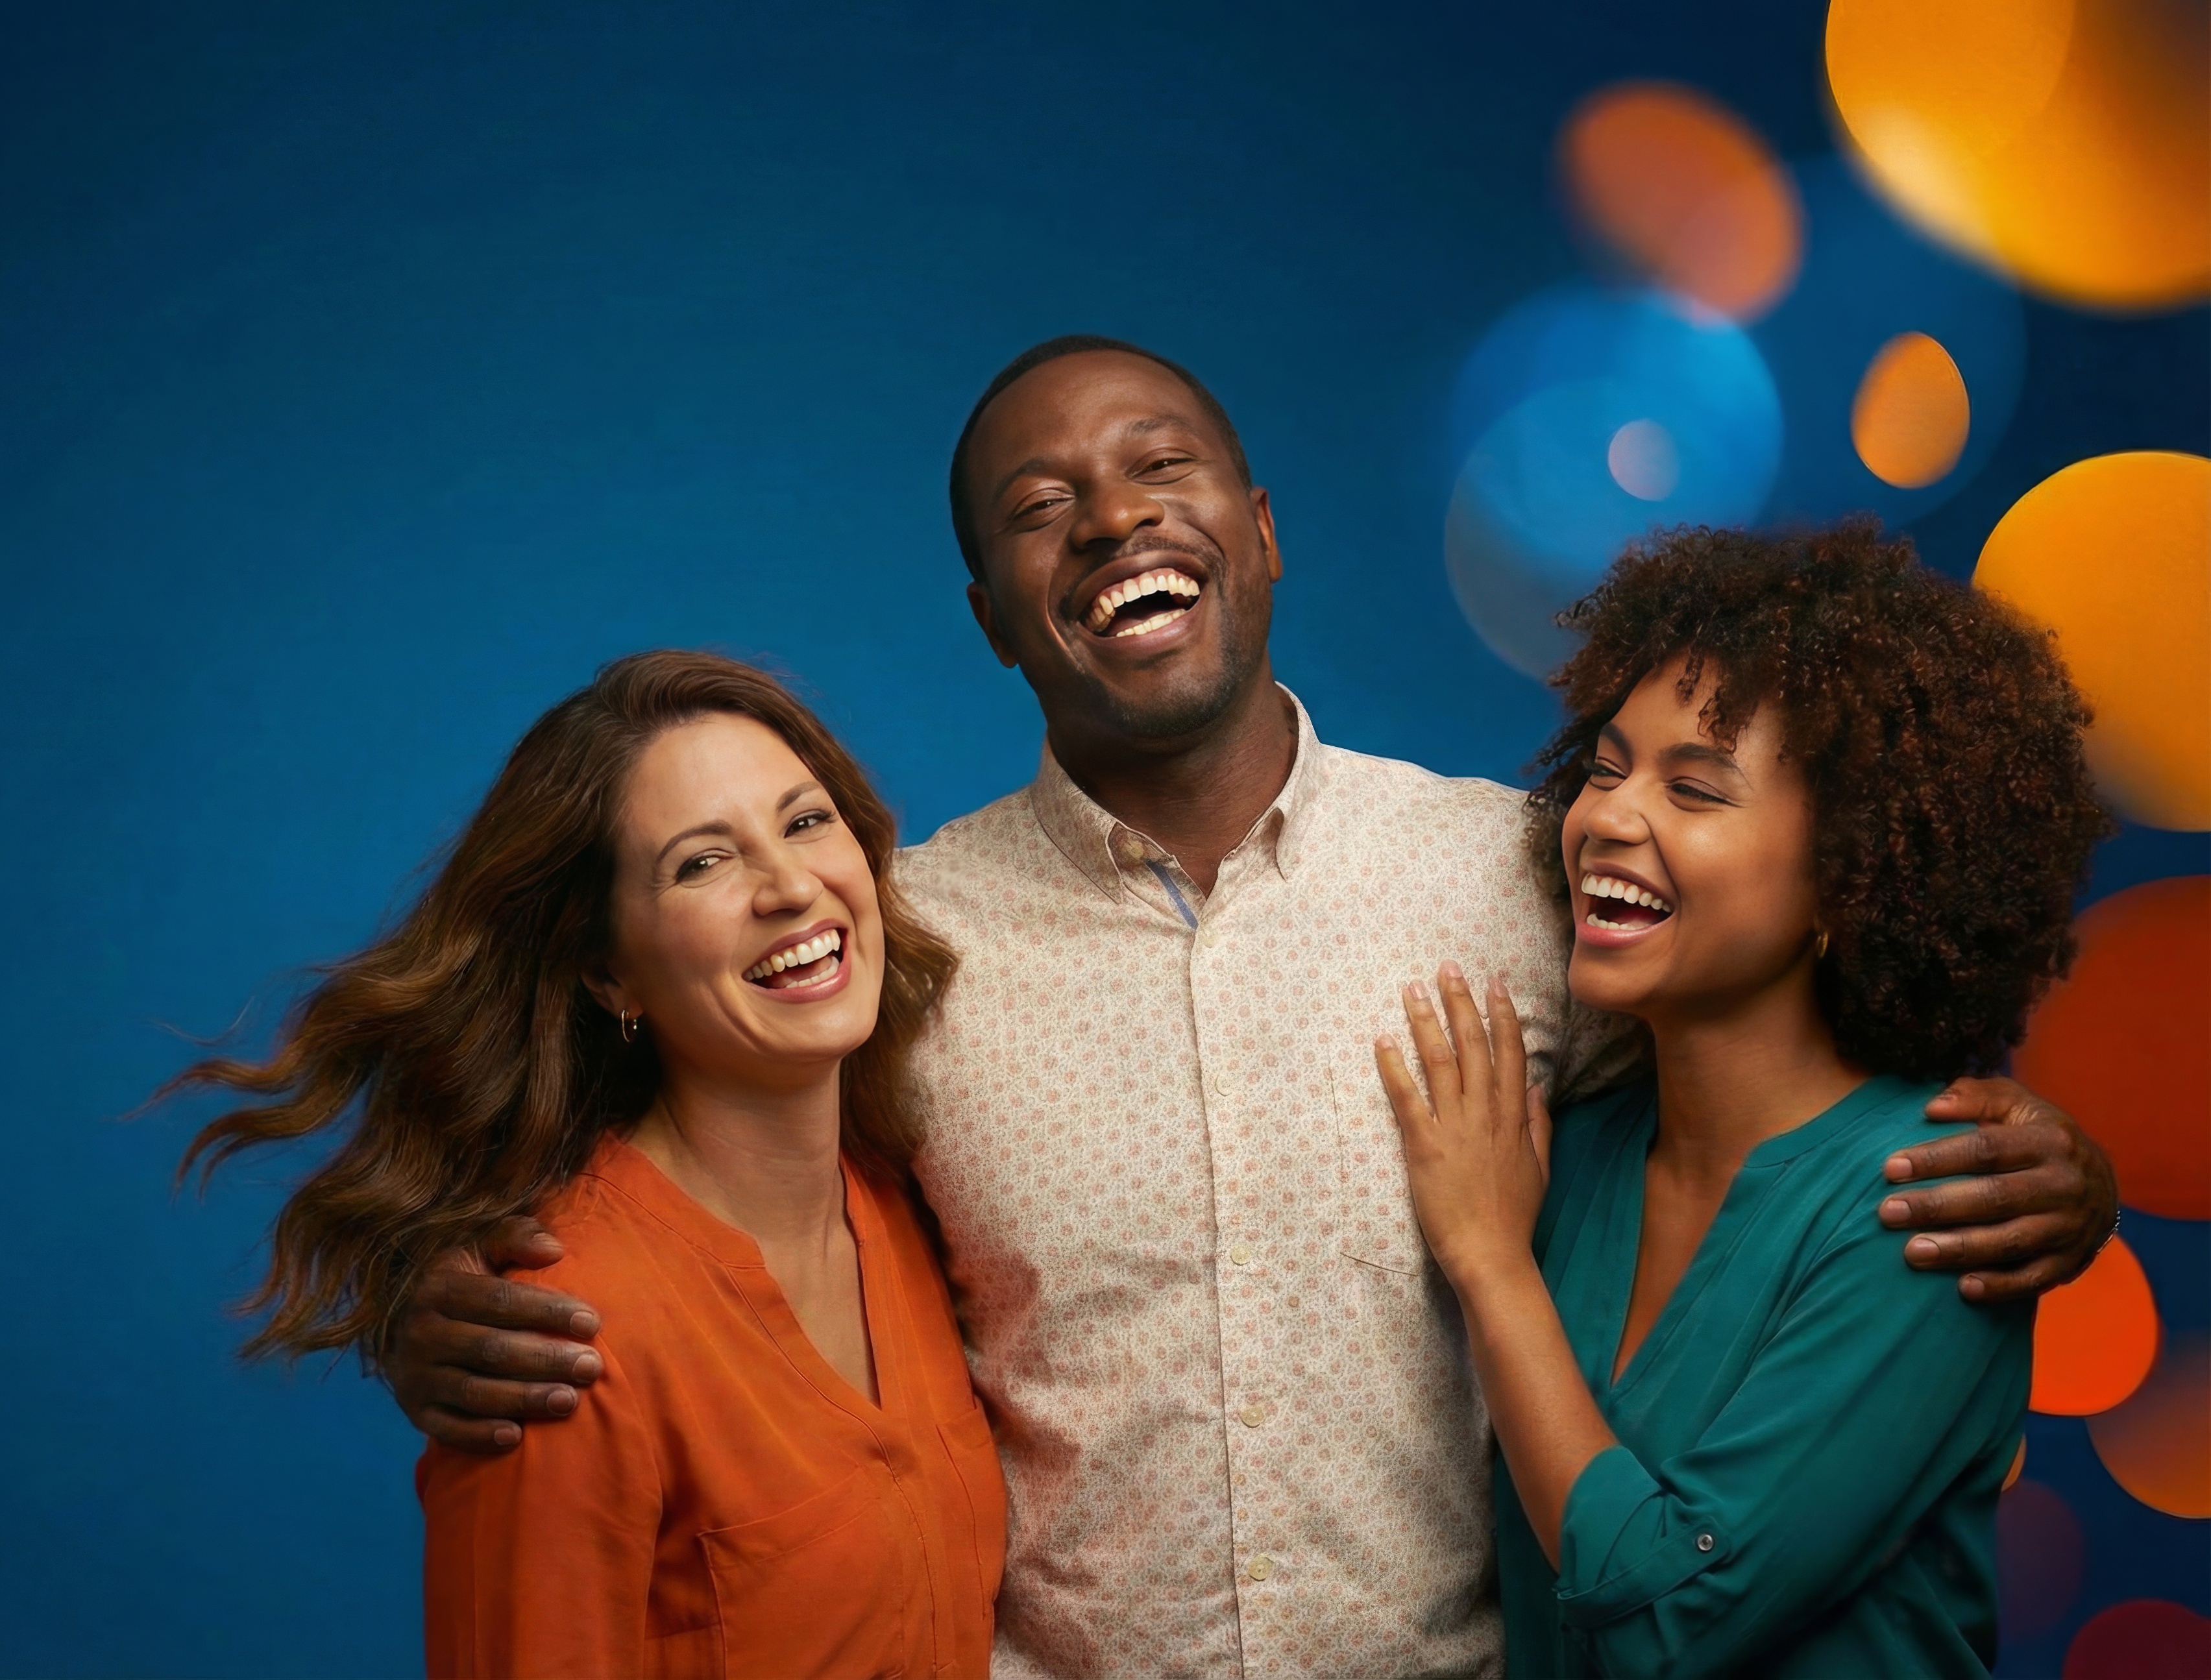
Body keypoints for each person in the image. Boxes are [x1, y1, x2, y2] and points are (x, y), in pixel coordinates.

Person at [380, 338, 2121, 1675]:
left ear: (1261, 531)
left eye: (1160, 466)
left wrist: (2050, 1155)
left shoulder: (1522, 879)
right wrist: (443, 1296)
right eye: (1041, 505)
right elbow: (700, 1208)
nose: (1115, 515)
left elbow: (1782, 1072)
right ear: (995, 617)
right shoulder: (890, 950)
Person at [171, 650, 1003, 1678]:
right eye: (702, 862)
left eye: (804, 820)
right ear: (611, 970)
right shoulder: (559, 1333)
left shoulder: (912, 1210)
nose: (791, 886)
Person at [1378, 524, 2105, 1677]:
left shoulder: (1930, 1201)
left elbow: (1670, 1622)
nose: (1610, 819)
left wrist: (1489, 1261)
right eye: (1607, 769)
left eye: (1696, 790)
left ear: (1848, 876)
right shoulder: (1579, 1155)